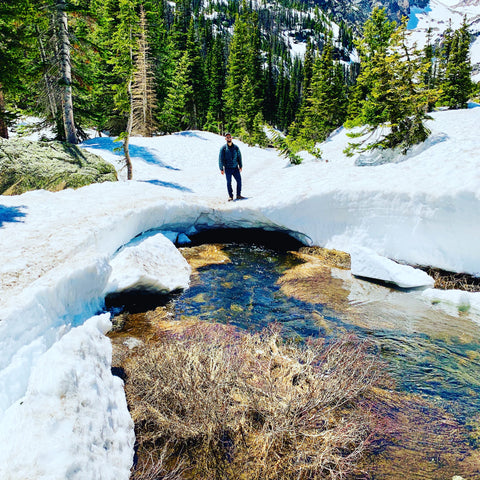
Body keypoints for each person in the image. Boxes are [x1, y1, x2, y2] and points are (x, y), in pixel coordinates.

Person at [219, 133, 245, 201]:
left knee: (239, 181)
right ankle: (230, 196)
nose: (228, 138)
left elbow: (239, 157)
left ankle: (238, 195)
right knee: (229, 182)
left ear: (231, 138)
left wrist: (240, 165)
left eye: (229, 137)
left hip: (235, 168)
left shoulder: (236, 147)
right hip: (227, 168)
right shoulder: (223, 148)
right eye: (227, 137)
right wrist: (221, 168)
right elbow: (220, 159)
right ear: (225, 139)